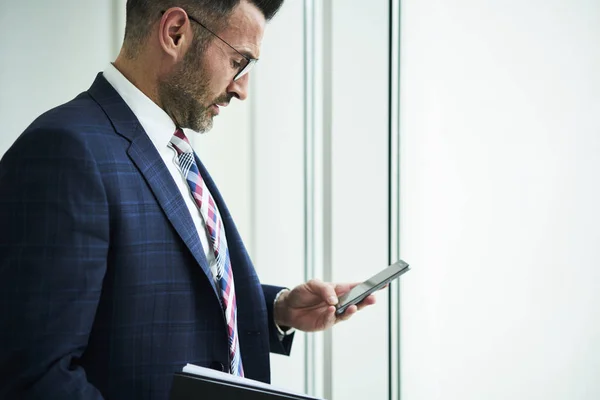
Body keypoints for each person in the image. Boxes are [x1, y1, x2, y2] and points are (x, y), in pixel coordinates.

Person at [0, 1, 377, 399]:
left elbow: (144, 298)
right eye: (238, 61)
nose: (241, 88)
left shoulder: (169, 146)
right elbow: (33, 376)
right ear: (175, 32)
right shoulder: (64, 151)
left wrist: (277, 310)